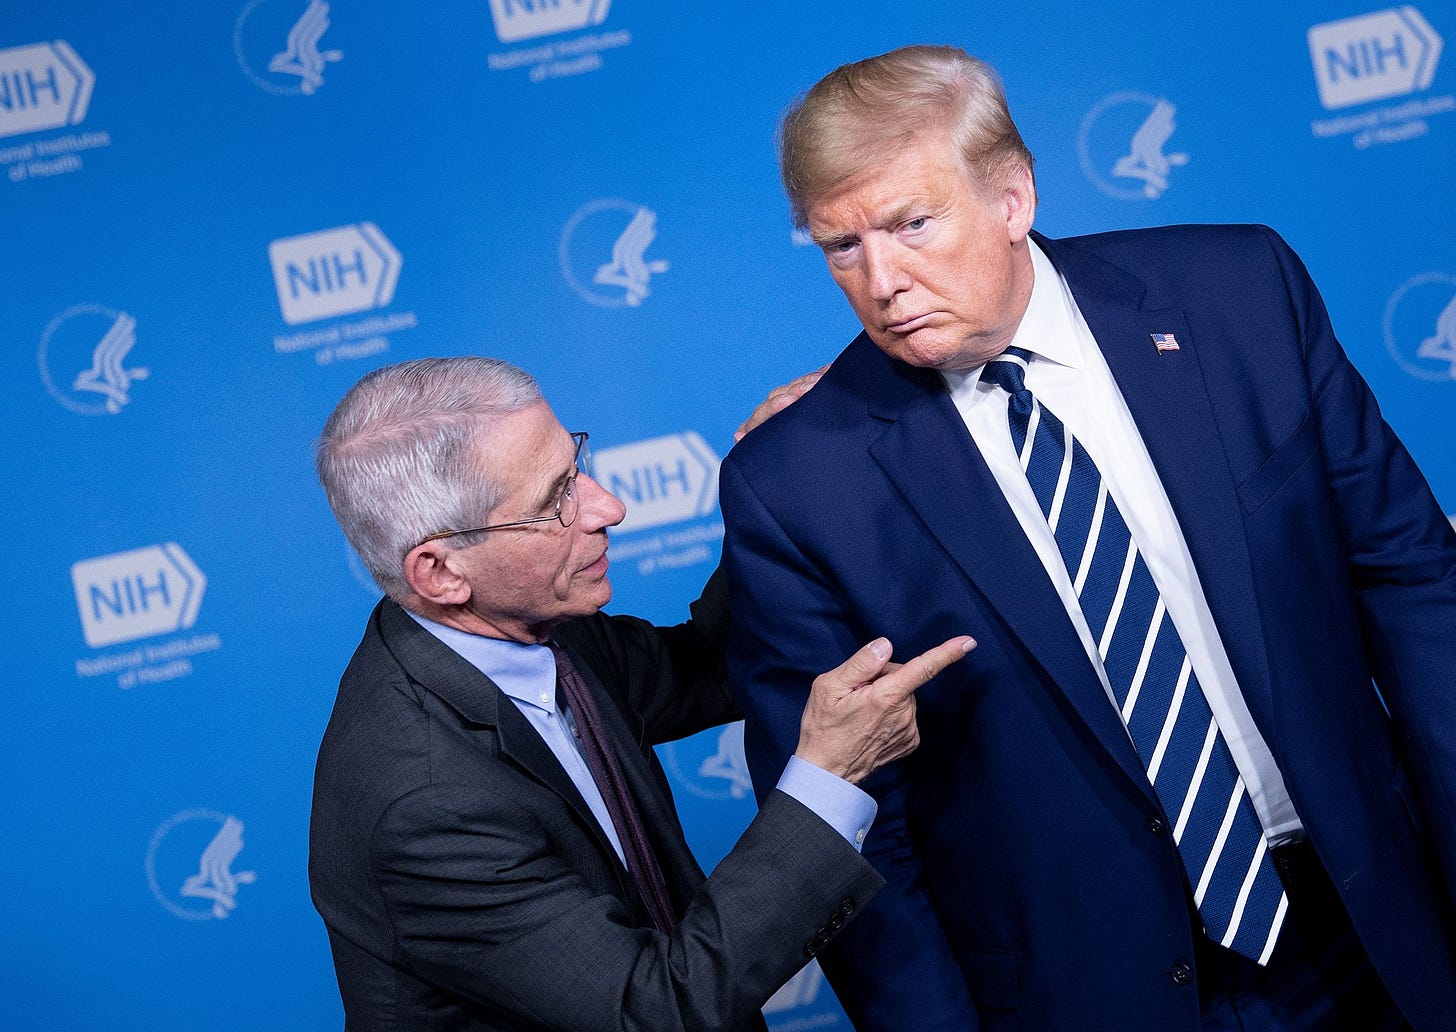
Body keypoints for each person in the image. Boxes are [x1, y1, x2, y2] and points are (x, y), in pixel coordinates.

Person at [719, 43, 1456, 1032]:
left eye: (911, 224)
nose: (881, 280)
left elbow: (1414, 587)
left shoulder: (1238, 295)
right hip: (1087, 995)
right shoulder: (798, 481)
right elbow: (852, 829)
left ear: (1012, 197)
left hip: (1369, 922)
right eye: (840, 246)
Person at [307, 355, 973, 1031]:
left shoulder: (540, 630)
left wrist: (774, 483)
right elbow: (656, 1012)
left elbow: (714, 665)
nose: (609, 508)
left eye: (576, 467)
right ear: (441, 573)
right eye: (554, 501)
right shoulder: (424, 804)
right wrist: (828, 777)